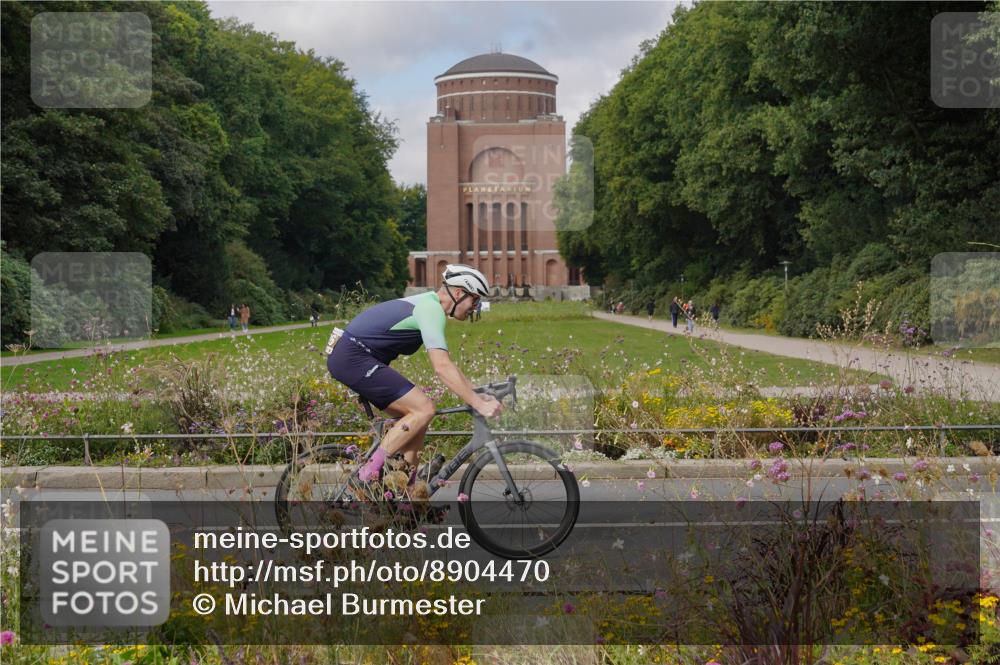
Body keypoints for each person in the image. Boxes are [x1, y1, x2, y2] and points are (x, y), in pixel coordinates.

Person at [326, 264, 502, 484]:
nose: (475, 307)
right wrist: (478, 403)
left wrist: (476, 393)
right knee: (424, 408)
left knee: (418, 419)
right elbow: (441, 367)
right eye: (474, 300)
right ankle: (366, 475)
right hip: (353, 357)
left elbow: (449, 365)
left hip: (353, 356)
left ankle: (406, 496)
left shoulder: (429, 304)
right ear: (458, 293)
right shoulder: (430, 310)